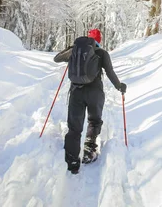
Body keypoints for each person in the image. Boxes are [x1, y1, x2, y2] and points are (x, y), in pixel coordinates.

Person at [54, 29, 127, 174]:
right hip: (95, 93)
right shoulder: (102, 53)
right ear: (99, 40)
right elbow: (110, 73)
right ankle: (89, 149)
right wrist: (120, 86)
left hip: (76, 92)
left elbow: (56, 58)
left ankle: (72, 161)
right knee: (94, 120)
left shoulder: (76, 50)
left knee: (74, 127)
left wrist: (71, 49)